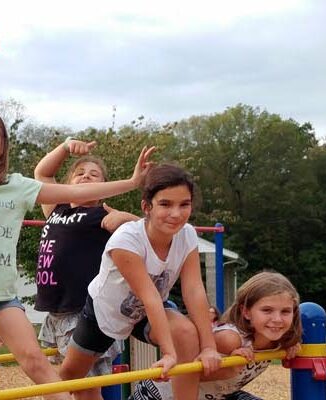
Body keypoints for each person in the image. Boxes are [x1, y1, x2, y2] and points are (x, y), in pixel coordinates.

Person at [0, 108, 155, 400]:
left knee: (37, 363)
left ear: (3, 145)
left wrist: (131, 183)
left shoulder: (18, 187)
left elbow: (75, 193)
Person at [58, 164, 222, 400]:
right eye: (165, 204)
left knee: (185, 333)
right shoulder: (126, 239)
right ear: (147, 207)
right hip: (106, 311)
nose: (176, 214)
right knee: (70, 376)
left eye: (184, 204)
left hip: (147, 311)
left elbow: (194, 290)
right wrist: (168, 353)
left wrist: (208, 347)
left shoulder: (187, 235)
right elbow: (148, 295)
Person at [33, 137, 138, 400]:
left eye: (94, 175)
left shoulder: (103, 216)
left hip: (85, 312)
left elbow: (152, 234)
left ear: (104, 189)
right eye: (79, 173)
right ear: (68, 184)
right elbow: (42, 173)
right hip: (58, 312)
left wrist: (127, 219)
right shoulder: (55, 209)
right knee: (80, 387)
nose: (85, 176)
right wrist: (65, 147)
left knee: (84, 387)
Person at [131, 271, 302, 400]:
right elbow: (185, 372)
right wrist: (229, 368)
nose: (277, 319)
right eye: (267, 310)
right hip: (159, 395)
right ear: (246, 312)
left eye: (285, 311)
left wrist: (291, 347)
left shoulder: (279, 341)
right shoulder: (230, 339)